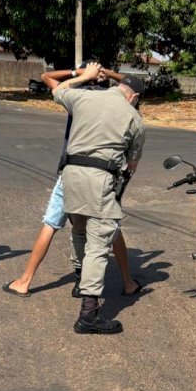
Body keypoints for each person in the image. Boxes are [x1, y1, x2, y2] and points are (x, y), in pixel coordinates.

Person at [3, 61, 142, 298]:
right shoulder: (120, 107)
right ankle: (126, 281)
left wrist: (79, 74)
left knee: (52, 223)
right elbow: (130, 85)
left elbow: (49, 79)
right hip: (102, 176)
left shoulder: (78, 96)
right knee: (111, 227)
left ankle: (26, 280)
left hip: (70, 171)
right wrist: (103, 72)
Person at [52, 63, 145, 334]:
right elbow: (132, 165)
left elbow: (57, 90)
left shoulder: (85, 95)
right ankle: (89, 313)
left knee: (79, 230)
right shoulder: (134, 118)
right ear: (134, 97)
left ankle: (81, 280)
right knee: (99, 241)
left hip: (70, 174)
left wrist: (84, 76)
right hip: (100, 179)